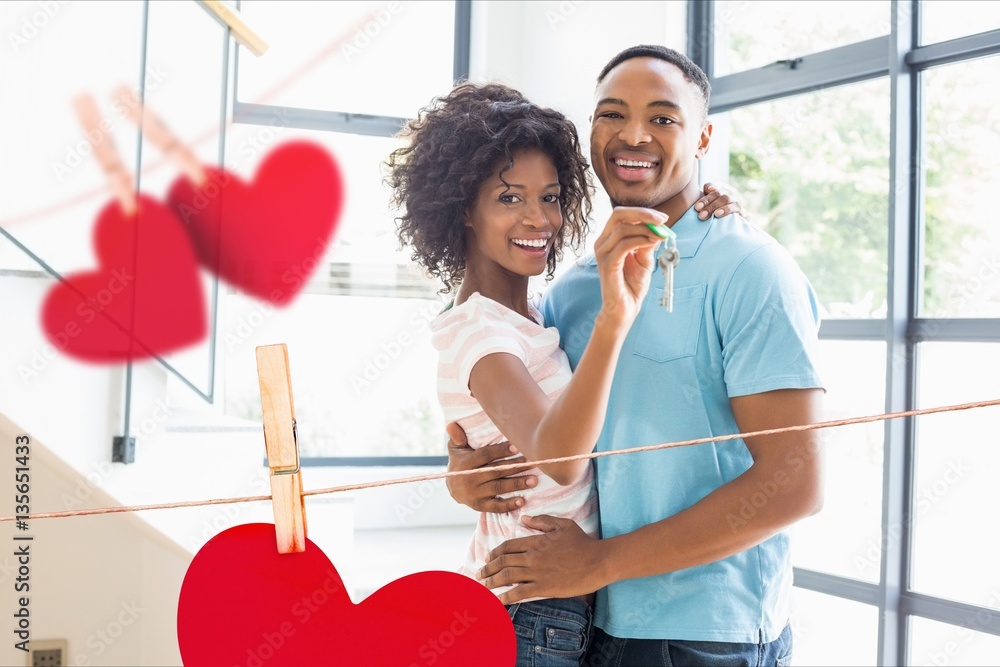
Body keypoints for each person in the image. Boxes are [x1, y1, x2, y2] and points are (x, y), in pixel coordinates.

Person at [447, 46, 825, 667]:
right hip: (588, 620)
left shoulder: (752, 269)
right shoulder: (570, 291)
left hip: (706, 635)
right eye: (612, 114)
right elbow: (550, 438)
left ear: (703, 135)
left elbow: (796, 484)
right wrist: (468, 473)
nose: (633, 134)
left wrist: (602, 562)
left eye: (664, 118)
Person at [386, 81, 742, 666]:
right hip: (527, 611)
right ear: (462, 211)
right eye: (508, 198)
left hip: (549, 604)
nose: (538, 218)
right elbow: (560, 457)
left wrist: (713, 202)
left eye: (549, 197)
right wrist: (614, 320)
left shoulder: (530, 312)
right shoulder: (483, 332)